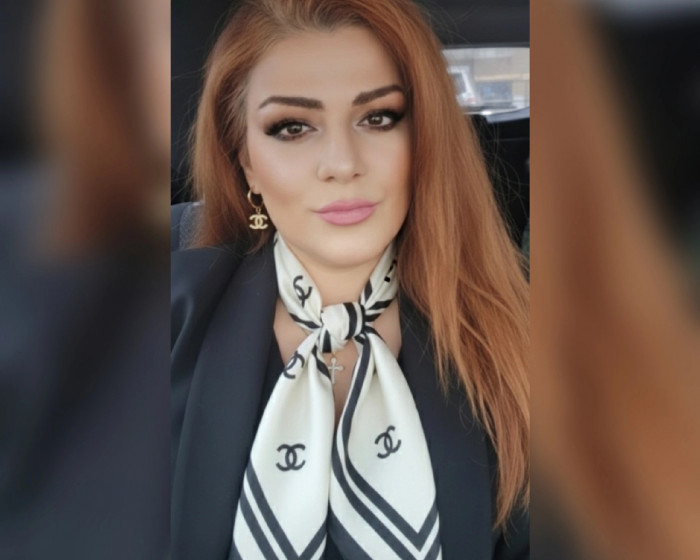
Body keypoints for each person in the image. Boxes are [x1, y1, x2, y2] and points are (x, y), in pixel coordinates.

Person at [171, 0, 529, 558]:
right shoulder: (154, 320)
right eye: (292, 127)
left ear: (425, 141)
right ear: (246, 163)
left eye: (379, 117)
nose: (342, 163)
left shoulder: (521, 338)